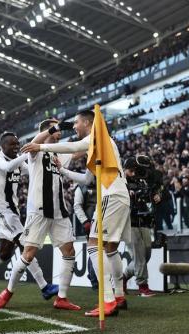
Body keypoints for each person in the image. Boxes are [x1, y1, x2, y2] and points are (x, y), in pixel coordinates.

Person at [24, 110, 131, 317]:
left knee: (93, 245)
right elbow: (86, 180)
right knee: (110, 248)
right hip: (120, 195)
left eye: (76, 122)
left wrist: (41, 146)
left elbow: (73, 147)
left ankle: (108, 300)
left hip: (110, 194)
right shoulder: (103, 143)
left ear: (87, 122)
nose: (73, 127)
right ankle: (118, 296)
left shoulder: (97, 136)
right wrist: (62, 171)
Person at [0, 119, 80, 311]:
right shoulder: (36, 150)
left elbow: (77, 152)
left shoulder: (59, 152)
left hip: (60, 212)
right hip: (39, 211)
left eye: (59, 128)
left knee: (69, 252)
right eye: (55, 129)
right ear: (47, 130)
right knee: (28, 254)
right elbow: (34, 142)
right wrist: (53, 129)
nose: (60, 131)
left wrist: (96, 142)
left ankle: (62, 298)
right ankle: (8, 291)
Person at [0, 132, 58, 302]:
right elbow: (7, 168)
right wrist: (25, 154)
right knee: (25, 245)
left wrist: (48, 165)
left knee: (5, 253)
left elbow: (33, 171)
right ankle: (44, 286)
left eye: (17, 144)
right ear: (3, 146)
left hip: (13, 211)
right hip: (1, 210)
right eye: (12, 145)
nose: (16, 147)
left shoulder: (18, 162)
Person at [122, 157, 156, 297]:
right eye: (132, 170)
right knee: (139, 256)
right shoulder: (120, 182)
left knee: (146, 254)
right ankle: (143, 286)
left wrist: (155, 196)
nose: (134, 173)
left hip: (144, 219)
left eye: (136, 170)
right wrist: (127, 194)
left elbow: (149, 195)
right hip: (129, 221)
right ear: (126, 170)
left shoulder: (142, 181)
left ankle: (122, 277)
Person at [73, 178, 98, 290]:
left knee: (100, 250)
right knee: (95, 250)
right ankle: (95, 281)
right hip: (91, 222)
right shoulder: (82, 185)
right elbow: (77, 206)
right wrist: (85, 221)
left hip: (103, 220)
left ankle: (94, 277)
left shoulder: (103, 180)